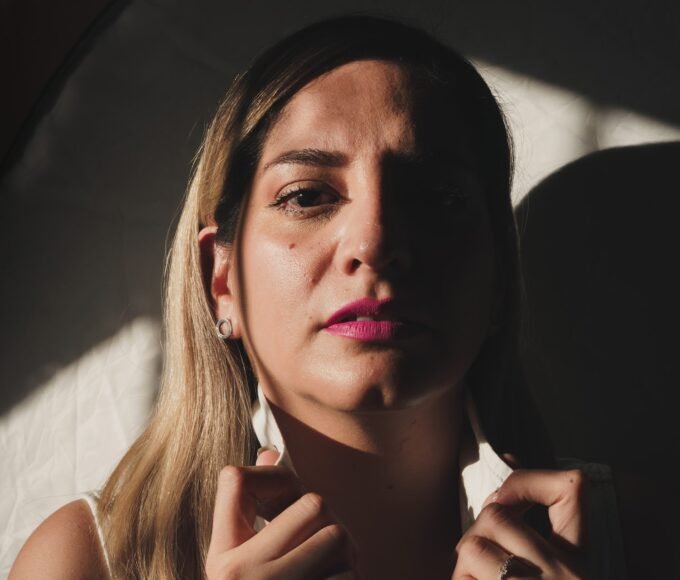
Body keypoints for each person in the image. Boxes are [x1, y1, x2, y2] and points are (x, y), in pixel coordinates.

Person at [10, 15, 624, 580]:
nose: (375, 242)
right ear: (221, 281)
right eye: (306, 196)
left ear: (498, 278)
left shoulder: (637, 538)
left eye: (438, 198)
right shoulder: (89, 561)